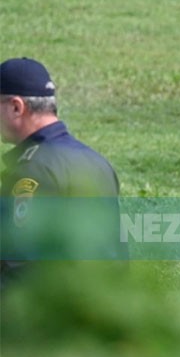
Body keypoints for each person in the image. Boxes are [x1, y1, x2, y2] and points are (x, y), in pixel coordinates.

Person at [1, 57, 125, 289]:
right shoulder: (96, 161)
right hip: (105, 308)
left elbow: (20, 265)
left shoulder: (31, 170)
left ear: (16, 107)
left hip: (50, 314)